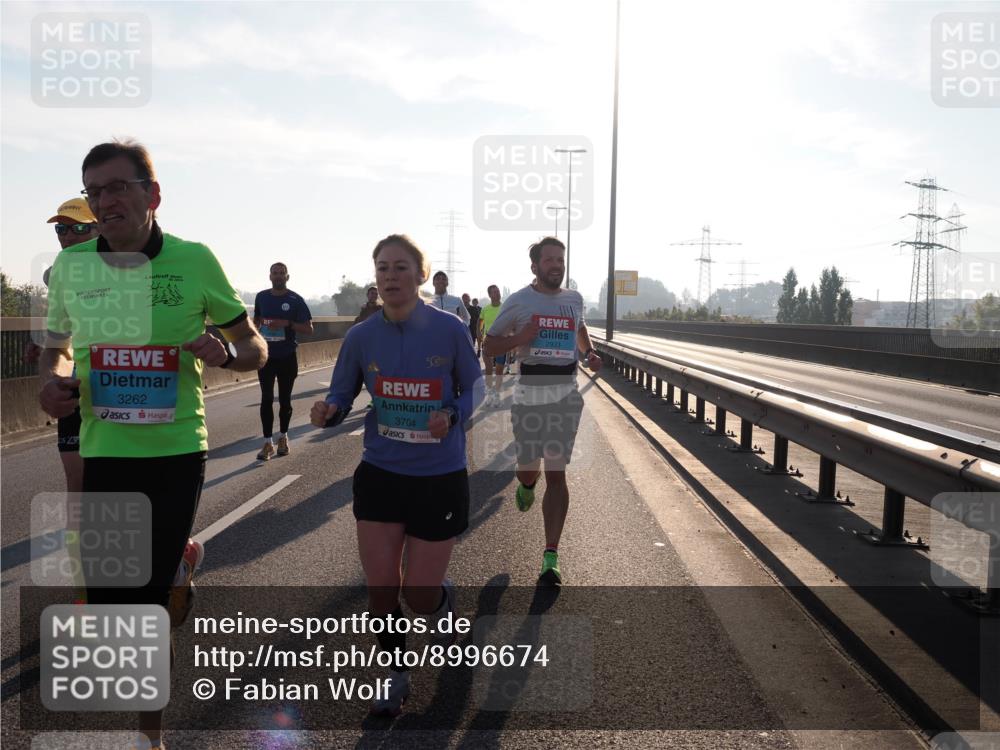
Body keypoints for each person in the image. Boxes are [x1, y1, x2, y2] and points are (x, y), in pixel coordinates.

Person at [38, 138, 267, 750]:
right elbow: (55, 348)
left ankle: (148, 739)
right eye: (95, 190)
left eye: (118, 187)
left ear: (152, 195)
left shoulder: (194, 261)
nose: (105, 200)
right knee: (116, 608)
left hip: (174, 455)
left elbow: (255, 346)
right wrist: (53, 384)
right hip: (104, 452)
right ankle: (179, 570)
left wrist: (228, 354)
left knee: (138, 606)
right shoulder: (71, 268)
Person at [310, 234, 483, 717]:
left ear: (421, 275)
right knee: (382, 586)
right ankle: (394, 674)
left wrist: (451, 413)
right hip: (381, 473)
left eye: (401, 268)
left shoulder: (449, 330)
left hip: (439, 476)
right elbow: (343, 392)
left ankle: (442, 603)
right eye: (382, 268)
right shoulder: (362, 336)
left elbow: (477, 388)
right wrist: (329, 409)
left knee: (418, 594)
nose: (390, 277)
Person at [483, 237, 602, 586]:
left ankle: (551, 555)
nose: (556, 265)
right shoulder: (519, 301)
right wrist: (523, 337)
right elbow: (490, 345)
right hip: (528, 396)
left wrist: (589, 354)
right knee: (527, 471)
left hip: (565, 395)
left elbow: (579, 329)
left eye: (560, 260)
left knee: (557, 473)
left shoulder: (574, 299)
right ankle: (525, 484)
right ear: (534, 266)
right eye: (549, 260)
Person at [253, 262, 314, 460]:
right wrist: (254, 332)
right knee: (267, 398)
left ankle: (284, 438)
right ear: (269, 276)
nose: (278, 276)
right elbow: (256, 321)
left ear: (287, 277)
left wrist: (287, 323)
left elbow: (309, 329)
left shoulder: (295, 300)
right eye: (275, 273)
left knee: (285, 399)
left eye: (282, 273)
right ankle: (267, 443)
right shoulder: (261, 297)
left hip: (287, 356)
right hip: (266, 357)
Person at [479, 285, 506, 407]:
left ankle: (496, 394)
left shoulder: (505, 308)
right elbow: (479, 323)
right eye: (495, 292)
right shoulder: (485, 309)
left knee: (499, 371)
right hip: (488, 343)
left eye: (498, 291)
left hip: (501, 343)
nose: (498, 293)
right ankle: (489, 395)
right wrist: (479, 335)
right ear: (490, 295)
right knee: (489, 371)